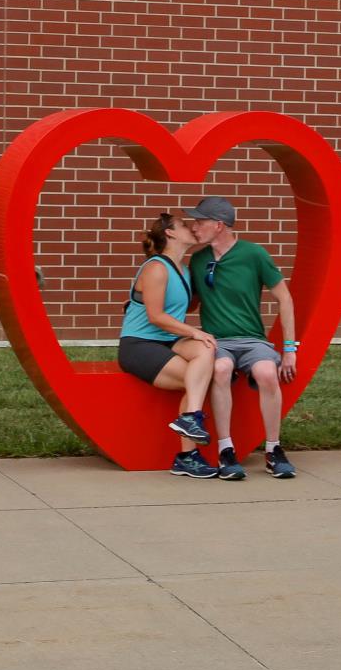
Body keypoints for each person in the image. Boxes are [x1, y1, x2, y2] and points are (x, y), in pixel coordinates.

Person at [181, 196, 299, 480]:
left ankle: (273, 450)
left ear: (219, 225)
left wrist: (289, 348)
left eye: (200, 221)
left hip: (252, 340)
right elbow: (191, 303)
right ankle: (226, 450)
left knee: (267, 373)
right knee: (220, 369)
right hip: (217, 342)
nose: (194, 227)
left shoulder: (254, 254)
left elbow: (284, 298)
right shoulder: (198, 260)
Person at [116, 211, 223, 479]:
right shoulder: (156, 267)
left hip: (168, 341)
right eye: (184, 225)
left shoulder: (184, 270)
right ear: (170, 233)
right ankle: (188, 454)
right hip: (139, 344)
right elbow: (156, 316)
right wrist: (193, 331)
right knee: (196, 376)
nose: (191, 229)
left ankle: (189, 426)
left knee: (207, 350)